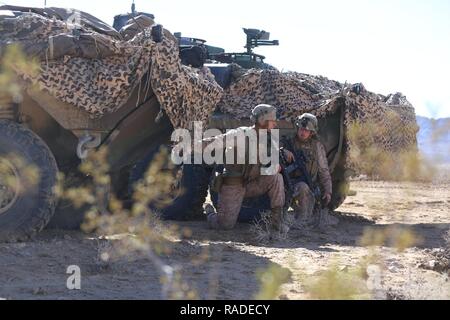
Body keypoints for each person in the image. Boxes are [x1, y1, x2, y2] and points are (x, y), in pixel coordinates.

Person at [205, 104, 287, 232]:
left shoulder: (270, 139)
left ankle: (277, 222)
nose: (275, 124)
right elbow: (215, 141)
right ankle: (210, 212)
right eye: (272, 121)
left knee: (277, 178)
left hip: (253, 184)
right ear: (262, 120)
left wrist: (274, 168)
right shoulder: (241, 134)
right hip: (234, 185)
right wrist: (190, 146)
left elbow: (269, 167)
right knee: (225, 226)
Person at [281, 113, 333, 224]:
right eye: (301, 129)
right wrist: (283, 151)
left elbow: (323, 170)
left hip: (306, 187)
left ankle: (302, 222)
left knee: (303, 187)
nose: (302, 132)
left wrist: (328, 190)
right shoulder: (288, 141)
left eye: (306, 130)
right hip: (286, 183)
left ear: (312, 132)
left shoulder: (317, 146)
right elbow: (271, 149)